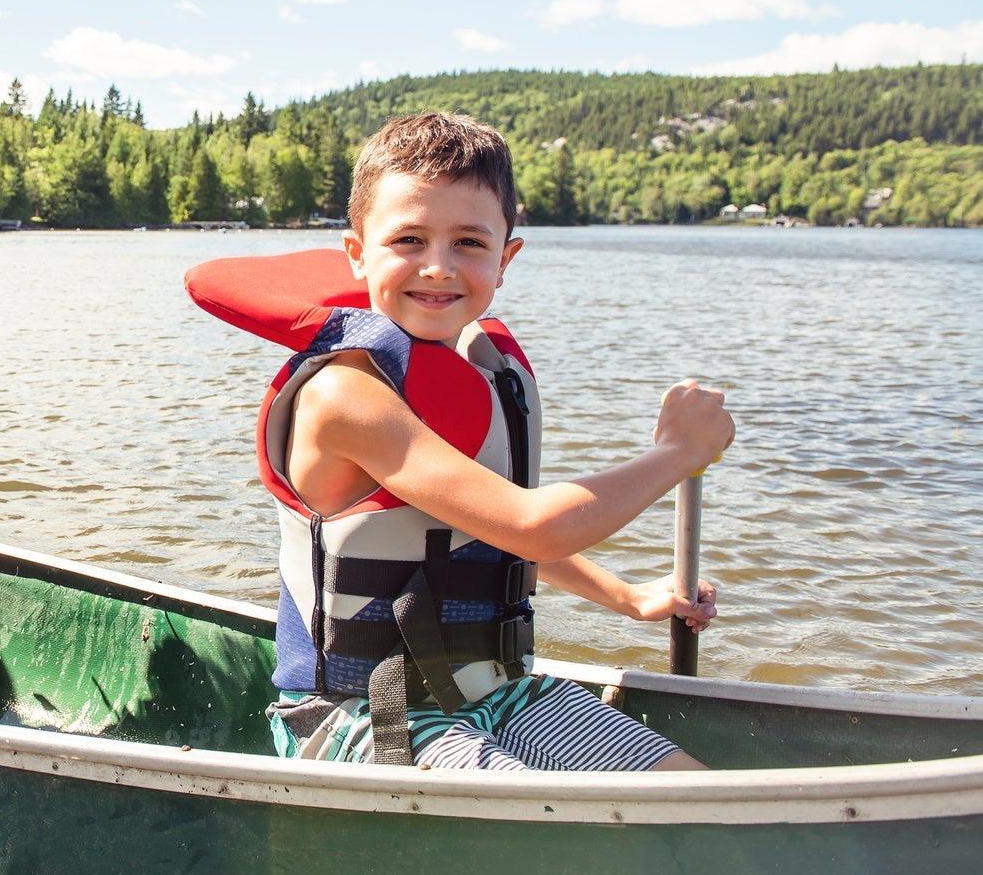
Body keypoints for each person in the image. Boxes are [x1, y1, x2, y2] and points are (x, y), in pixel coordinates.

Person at [201, 112, 732, 771]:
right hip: (361, 709)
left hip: (495, 693)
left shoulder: (479, 373)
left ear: (506, 258)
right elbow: (533, 527)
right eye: (409, 240)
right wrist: (678, 453)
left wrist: (630, 598)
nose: (438, 268)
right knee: (528, 815)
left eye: (469, 244)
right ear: (356, 253)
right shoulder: (347, 394)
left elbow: (481, 538)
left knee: (688, 790)